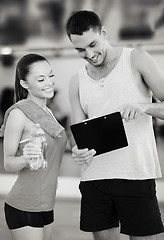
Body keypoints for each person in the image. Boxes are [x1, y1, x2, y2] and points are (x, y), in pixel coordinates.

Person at [66, 10, 164, 240]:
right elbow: (76, 133)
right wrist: (76, 149)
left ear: (104, 33)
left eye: (93, 44)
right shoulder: (76, 80)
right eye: (80, 49)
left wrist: (145, 107)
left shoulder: (136, 58)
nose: (89, 54)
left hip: (135, 175)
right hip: (94, 178)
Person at [0, 54, 67, 240]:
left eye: (50, 75)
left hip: (47, 204)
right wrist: (24, 159)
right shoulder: (18, 114)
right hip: (24, 205)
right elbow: (8, 163)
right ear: (25, 84)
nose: (49, 82)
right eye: (41, 79)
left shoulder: (48, 112)